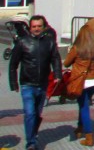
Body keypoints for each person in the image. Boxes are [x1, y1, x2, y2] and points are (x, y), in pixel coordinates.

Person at [8, 14, 62, 150]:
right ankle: (31, 143)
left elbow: (55, 59)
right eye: (34, 27)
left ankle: (33, 132)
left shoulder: (49, 42)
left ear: (43, 27)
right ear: (30, 28)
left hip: (43, 84)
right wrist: (14, 83)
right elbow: (13, 64)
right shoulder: (22, 42)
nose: (36, 29)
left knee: (37, 114)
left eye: (39, 26)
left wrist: (57, 74)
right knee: (30, 113)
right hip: (27, 84)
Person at [64, 27, 94, 146]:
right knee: (83, 104)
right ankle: (80, 128)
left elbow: (66, 63)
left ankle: (89, 136)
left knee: (84, 107)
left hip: (82, 82)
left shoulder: (77, 48)